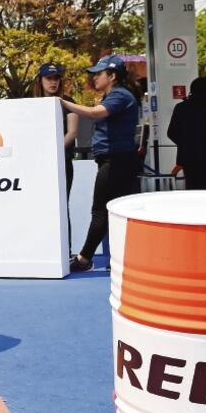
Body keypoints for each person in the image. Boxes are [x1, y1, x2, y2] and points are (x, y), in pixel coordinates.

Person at [61, 54, 139, 273]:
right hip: (116, 160)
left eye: (99, 74)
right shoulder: (117, 95)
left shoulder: (120, 95)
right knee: (112, 211)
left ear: (112, 76)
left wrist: (63, 102)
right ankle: (119, 259)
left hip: (117, 161)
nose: (94, 78)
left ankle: (85, 258)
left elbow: (95, 114)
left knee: (100, 212)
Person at [32, 63, 78, 254]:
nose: (53, 82)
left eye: (56, 78)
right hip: (37, 166)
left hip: (61, 163)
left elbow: (72, 132)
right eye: (48, 78)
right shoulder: (31, 104)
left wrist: (52, 151)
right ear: (40, 80)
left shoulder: (67, 101)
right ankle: (40, 250)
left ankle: (64, 252)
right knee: (38, 207)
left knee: (60, 207)